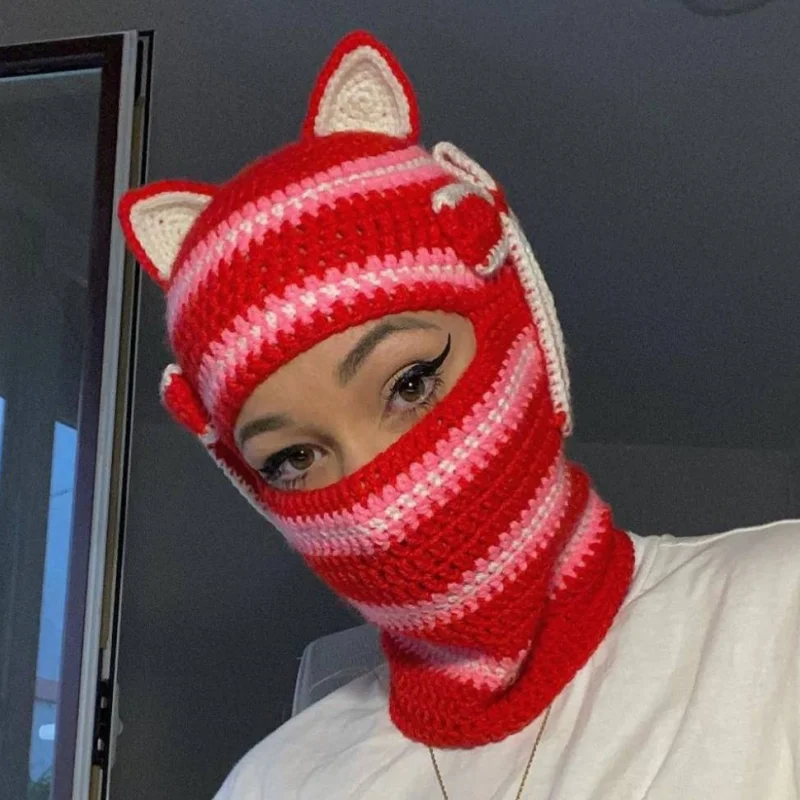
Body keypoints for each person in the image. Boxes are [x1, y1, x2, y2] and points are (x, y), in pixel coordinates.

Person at [118, 30, 800, 800]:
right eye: (293, 458)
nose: (377, 508)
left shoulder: (776, 614)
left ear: (523, 336)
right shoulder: (275, 783)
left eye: (410, 383)